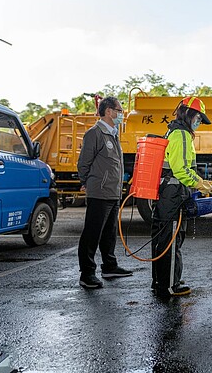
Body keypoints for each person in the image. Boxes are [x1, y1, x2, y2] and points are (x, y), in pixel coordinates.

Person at [151, 96, 212, 297]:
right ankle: (169, 285)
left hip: (166, 192)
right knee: (171, 240)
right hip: (174, 194)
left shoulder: (173, 131)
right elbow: (182, 170)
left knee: (162, 239)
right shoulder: (182, 135)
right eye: (198, 117)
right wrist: (201, 184)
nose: (199, 122)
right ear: (187, 113)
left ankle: (161, 280)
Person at [77, 96, 133, 289]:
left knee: (109, 234)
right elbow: (83, 163)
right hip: (99, 192)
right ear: (109, 111)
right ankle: (87, 273)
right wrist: (88, 183)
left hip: (113, 193)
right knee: (92, 234)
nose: (121, 114)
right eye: (119, 110)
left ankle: (109, 266)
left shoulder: (114, 134)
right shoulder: (95, 133)